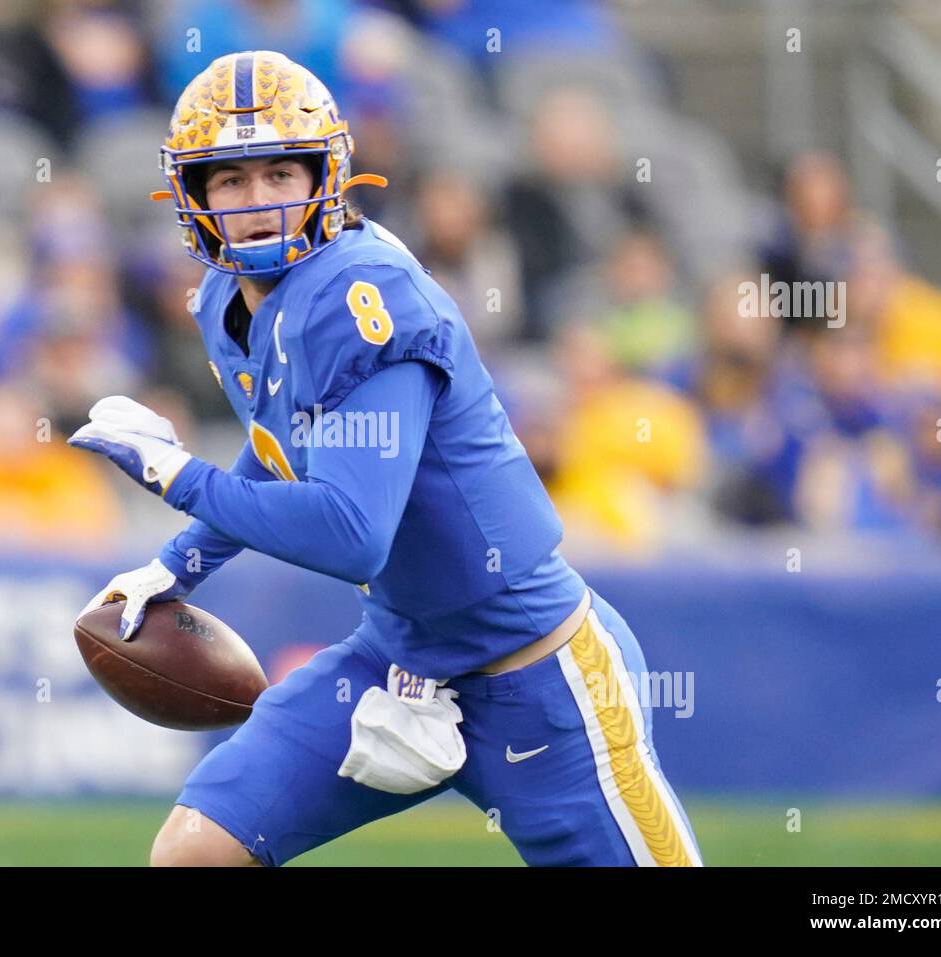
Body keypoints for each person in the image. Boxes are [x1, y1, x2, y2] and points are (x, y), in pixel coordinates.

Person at [68, 51, 702, 867]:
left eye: (278, 174)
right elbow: (282, 454)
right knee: (194, 855)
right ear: (192, 195)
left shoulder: (362, 299)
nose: (258, 204)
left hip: (537, 677)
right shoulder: (227, 301)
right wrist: (176, 563)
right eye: (230, 180)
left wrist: (176, 474)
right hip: (395, 659)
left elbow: (351, 529)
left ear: (324, 177)